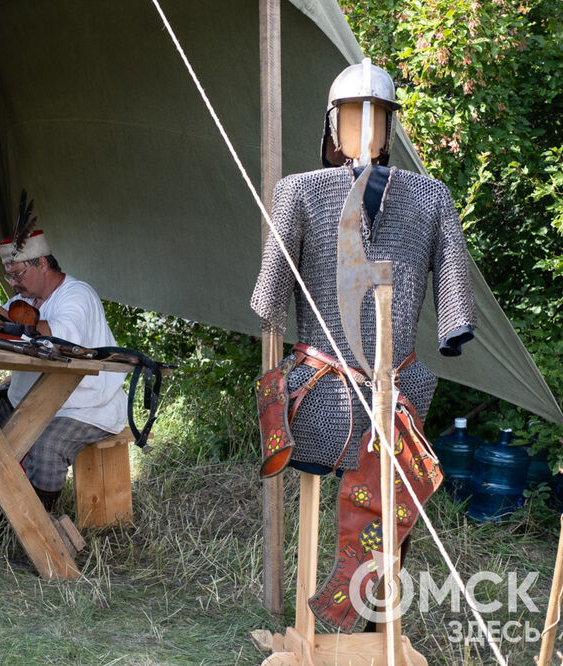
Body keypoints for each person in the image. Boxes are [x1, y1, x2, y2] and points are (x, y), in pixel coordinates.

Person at [250, 61, 475, 632]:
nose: (364, 126)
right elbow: (274, 292)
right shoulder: (299, 193)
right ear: (336, 125)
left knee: (389, 509)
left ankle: (375, 627)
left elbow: (453, 286)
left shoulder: (430, 197)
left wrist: (454, 323)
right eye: (355, 115)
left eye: (370, 116)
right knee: (356, 505)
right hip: (322, 392)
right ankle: (338, 625)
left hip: (394, 390)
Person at [0, 196, 127, 511]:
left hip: (85, 405)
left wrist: (5, 320)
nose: (13, 283)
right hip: (33, 400)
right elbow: (13, 326)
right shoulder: (26, 300)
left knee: (47, 446)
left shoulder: (77, 294)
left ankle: (35, 520)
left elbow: (61, 335)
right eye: (9, 276)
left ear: (41, 263)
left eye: (18, 275)